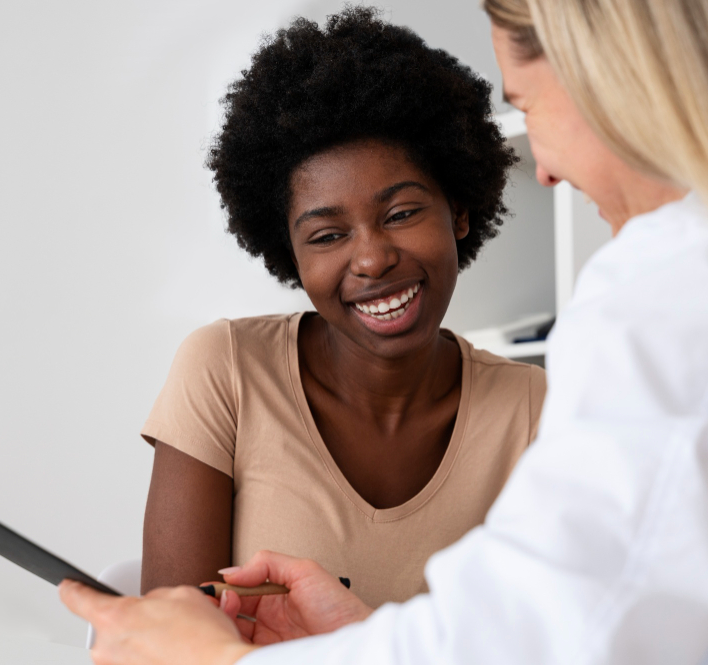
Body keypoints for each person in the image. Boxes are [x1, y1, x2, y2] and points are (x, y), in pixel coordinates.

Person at [61, 0, 708, 662]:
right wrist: (366, 637)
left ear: (610, 76)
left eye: (530, 104)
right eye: (327, 233)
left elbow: (559, 632)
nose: (541, 167)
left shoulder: (679, 292)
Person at [137, 6, 546, 611]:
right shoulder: (225, 371)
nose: (373, 259)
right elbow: (176, 638)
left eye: (401, 214)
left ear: (458, 211)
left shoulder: (535, 411)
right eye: (328, 236)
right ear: (291, 255)